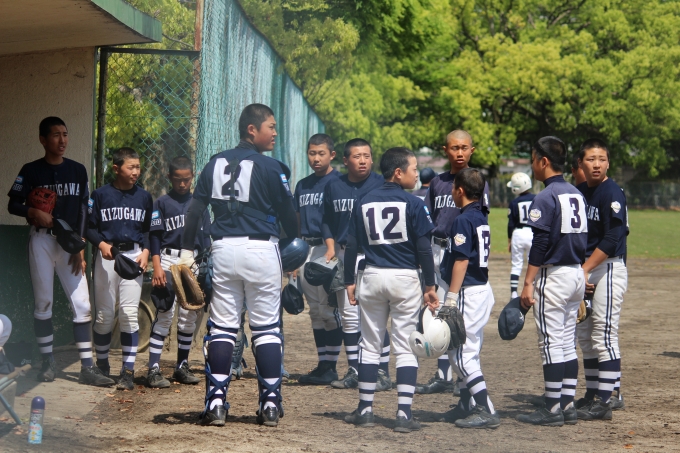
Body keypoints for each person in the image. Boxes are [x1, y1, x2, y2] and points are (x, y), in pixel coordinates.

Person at [178, 103, 298, 427]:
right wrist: (292, 238)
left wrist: (186, 250)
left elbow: (195, 210)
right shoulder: (271, 167)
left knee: (222, 327)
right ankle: (270, 404)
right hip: (261, 249)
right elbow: (290, 218)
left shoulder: (214, 163)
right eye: (270, 127)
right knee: (266, 328)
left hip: (223, 249)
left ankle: (216, 404)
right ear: (251, 130)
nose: (274, 133)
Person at [7, 117, 114, 387]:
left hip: (69, 243)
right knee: (43, 303)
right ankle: (47, 362)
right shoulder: (31, 170)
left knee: (83, 305)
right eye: (55, 135)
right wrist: (32, 211)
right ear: (43, 140)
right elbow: (13, 204)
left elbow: (84, 209)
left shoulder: (77, 170)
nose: (62, 140)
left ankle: (87, 367)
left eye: (65, 134)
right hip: (42, 240)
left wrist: (80, 245)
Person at [343, 147, 438, 433]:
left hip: (372, 276)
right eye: (413, 168)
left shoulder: (363, 200)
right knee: (406, 346)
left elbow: (351, 244)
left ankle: (365, 409)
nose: (416, 174)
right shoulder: (413, 203)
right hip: (404, 278)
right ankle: (403, 414)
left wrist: (349, 280)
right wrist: (430, 285)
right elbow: (424, 248)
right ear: (398, 172)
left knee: (370, 344)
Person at [516, 136, 587, 427]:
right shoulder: (576, 193)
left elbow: (541, 242)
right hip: (576, 273)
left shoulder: (545, 196)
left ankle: (552, 407)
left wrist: (528, 282)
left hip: (554, 276)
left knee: (550, 342)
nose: (532, 165)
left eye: (533, 159)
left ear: (544, 161)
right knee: (567, 342)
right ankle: (567, 404)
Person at [417, 130, 490, 396]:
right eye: (454, 148)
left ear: (472, 150)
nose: (459, 153)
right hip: (439, 249)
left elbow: (480, 220)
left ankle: (462, 380)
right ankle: (443, 375)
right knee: (439, 312)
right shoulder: (438, 182)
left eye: (464, 147)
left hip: (461, 252)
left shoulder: (476, 180)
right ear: (445, 150)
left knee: (456, 312)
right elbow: (428, 218)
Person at [321, 139, 391, 391]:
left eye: (367, 156)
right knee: (349, 317)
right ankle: (354, 369)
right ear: (345, 160)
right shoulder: (334, 185)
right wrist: (330, 246)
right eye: (357, 156)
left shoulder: (381, 184)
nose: (363, 161)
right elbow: (326, 220)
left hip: (374, 256)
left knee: (374, 316)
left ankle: (382, 372)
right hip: (344, 255)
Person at [87, 147, 153, 391]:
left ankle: (128, 371)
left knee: (128, 313)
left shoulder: (144, 197)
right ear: (116, 168)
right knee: (104, 316)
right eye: (131, 167)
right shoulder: (100, 195)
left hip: (134, 255)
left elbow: (148, 230)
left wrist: (146, 251)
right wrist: (101, 244)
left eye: (138, 167)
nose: (136, 171)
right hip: (107, 254)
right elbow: (88, 227)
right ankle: (103, 365)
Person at [439, 168, 499, 429]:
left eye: (453, 188)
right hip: (481, 289)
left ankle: (486, 409)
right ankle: (466, 404)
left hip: (469, 292)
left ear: (460, 191)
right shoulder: (480, 215)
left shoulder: (463, 219)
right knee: (468, 351)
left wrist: (451, 297)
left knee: (460, 355)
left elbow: (461, 261)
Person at [146, 156, 211, 388]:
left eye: (186, 179)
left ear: (193, 177)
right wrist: (156, 266)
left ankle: (182, 366)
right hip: (168, 258)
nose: (182, 184)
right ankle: (153, 369)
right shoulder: (161, 203)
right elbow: (154, 236)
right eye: (177, 179)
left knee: (188, 316)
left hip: (193, 260)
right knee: (164, 312)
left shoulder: (200, 205)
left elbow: (205, 239)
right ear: (169, 177)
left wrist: (204, 268)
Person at [575, 139, 628, 420]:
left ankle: (606, 400)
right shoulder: (581, 192)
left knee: (604, 333)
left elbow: (612, 238)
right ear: (580, 164)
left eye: (602, 159)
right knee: (585, 336)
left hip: (607, 267)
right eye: (591, 159)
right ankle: (593, 392)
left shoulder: (612, 193)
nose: (597, 164)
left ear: (608, 163)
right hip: (586, 268)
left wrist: (584, 269)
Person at [294, 134, 343, 385]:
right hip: (306, 249)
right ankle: (323, 364)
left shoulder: (339, 182)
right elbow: (297, 221)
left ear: (332, 155)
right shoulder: (302, 185)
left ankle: (331, 366)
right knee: (315, 311)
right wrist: (294, 257)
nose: (316, 158)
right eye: (312, 153)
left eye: (321, 153)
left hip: (328, 249)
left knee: (329, 309)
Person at [507, 172, 535, 299]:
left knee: (516, 264)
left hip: (518, 233)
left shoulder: (514, 202)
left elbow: (510, 224)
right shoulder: (536, 198)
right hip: (533, 233)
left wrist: (509, 240)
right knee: (533, 263)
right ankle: (533, 290)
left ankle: (514, 293)